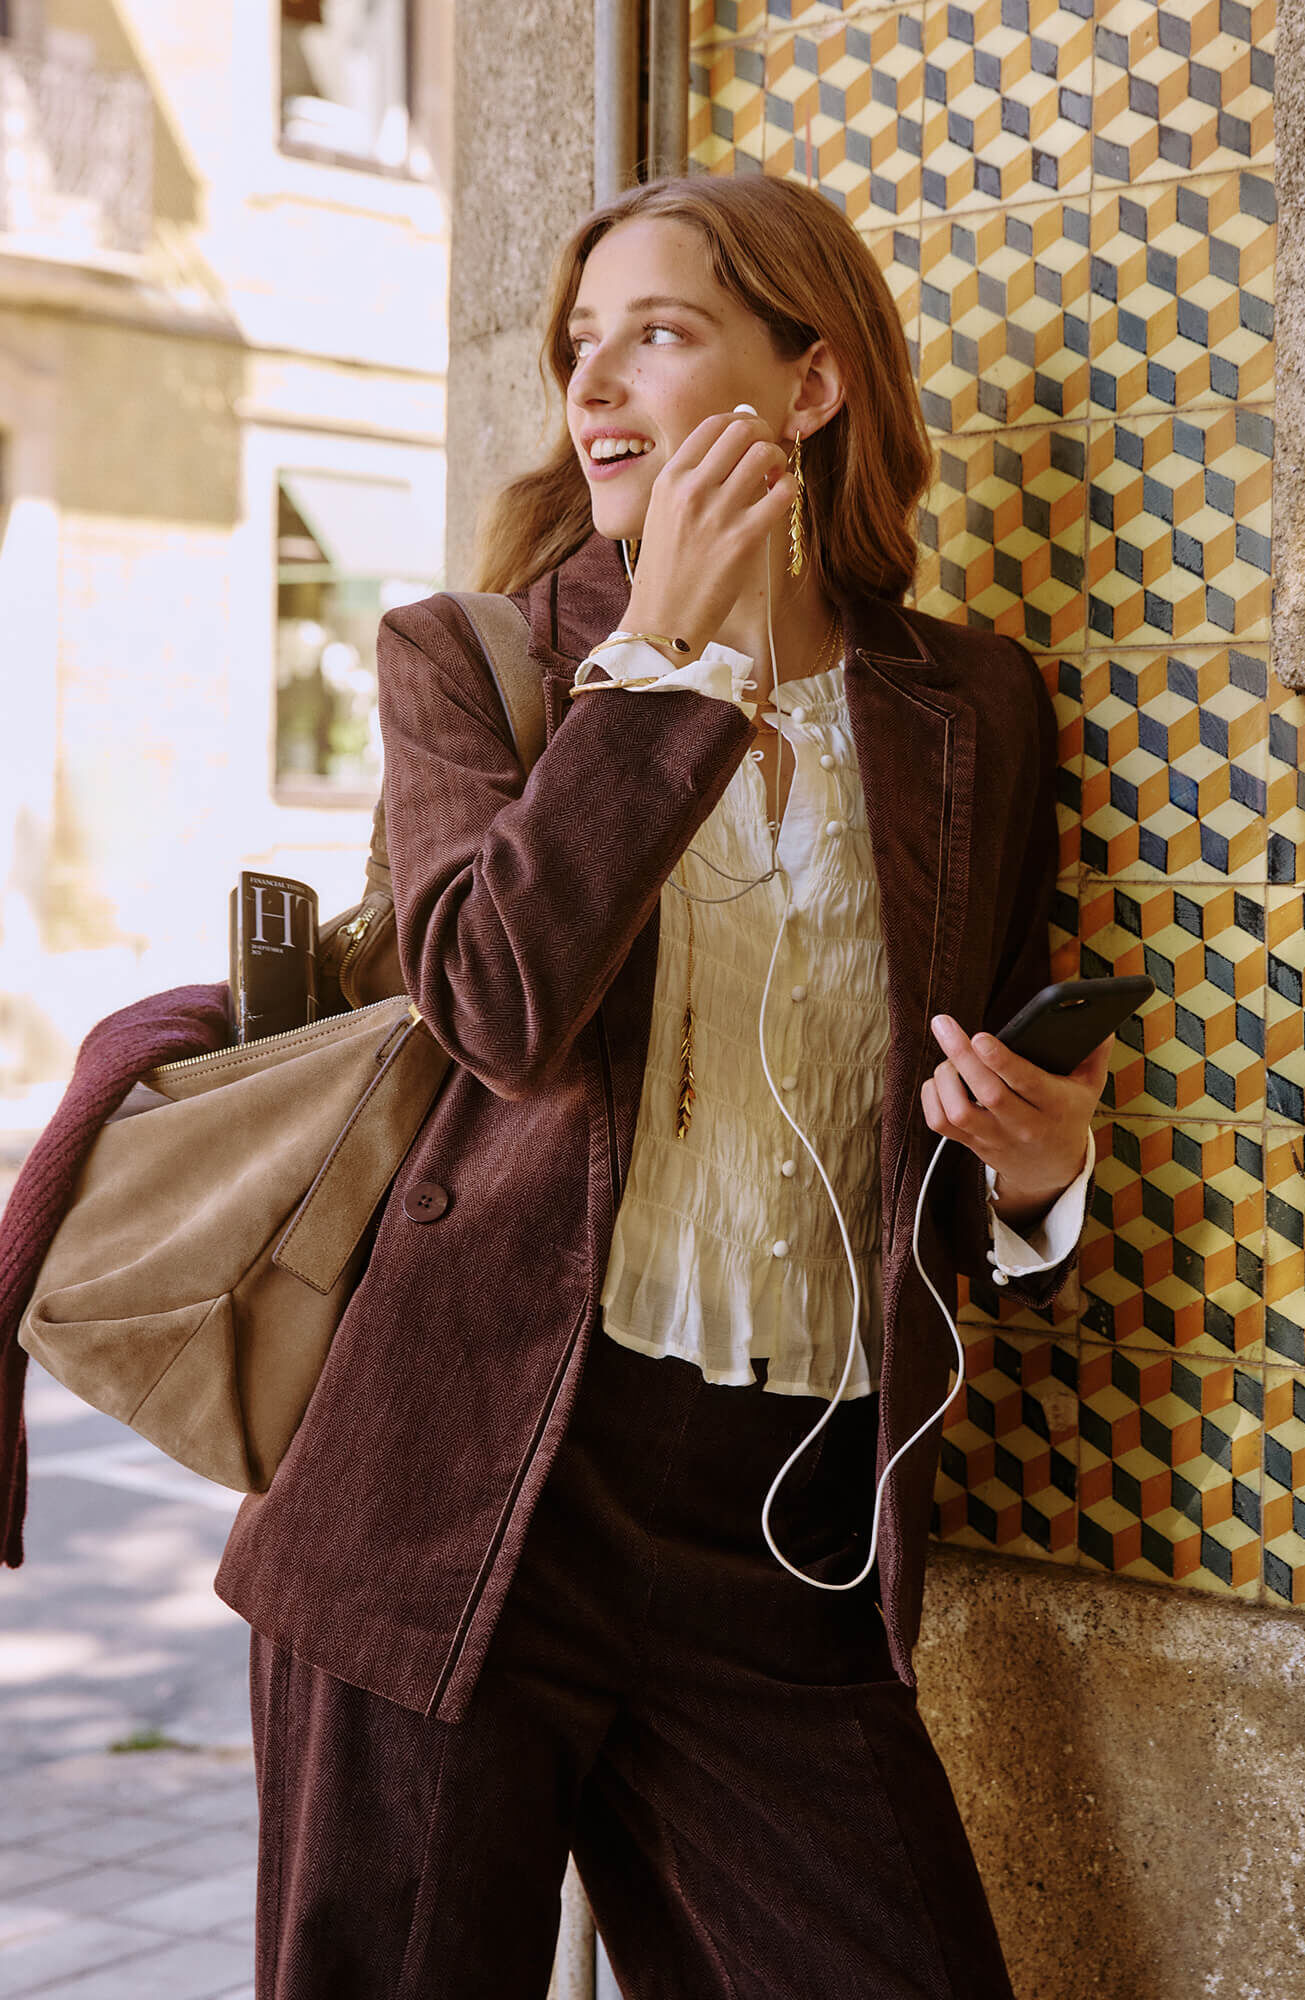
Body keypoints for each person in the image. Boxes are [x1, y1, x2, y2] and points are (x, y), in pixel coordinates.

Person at [216, 175, 1108, 1999]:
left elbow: (958, 1116)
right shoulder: (472, 665)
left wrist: (1034, 1178)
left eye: (660, 330)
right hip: (454, 1494)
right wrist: (671, 661)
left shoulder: (971, 712)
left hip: (788, 1528)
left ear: (810, 382)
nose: (594, 382)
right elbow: (496, 1008)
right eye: (575, 346)